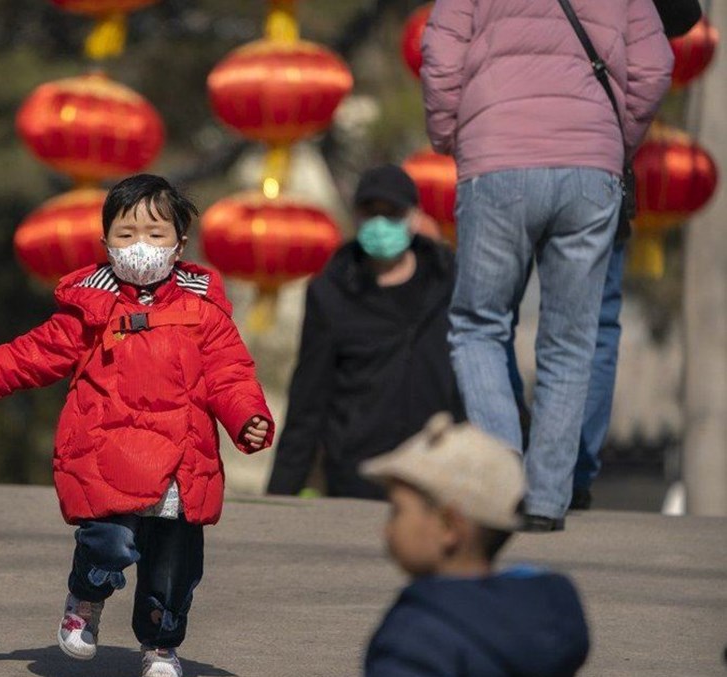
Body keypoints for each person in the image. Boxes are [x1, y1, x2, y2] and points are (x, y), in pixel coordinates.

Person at [0, 174, 274, 677]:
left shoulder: (203, 311)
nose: (140, 245)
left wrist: (248, 418)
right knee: (111, 544)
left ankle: (160, 647)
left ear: (180, 244)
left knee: (173, 569)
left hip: (181, 466)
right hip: (106, 455)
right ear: (105, 244)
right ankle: (85, 599)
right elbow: (34, 353)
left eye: (155, 233)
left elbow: (230, 374)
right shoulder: (90, 309)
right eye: (125, 234)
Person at [422, 0, 672, 530]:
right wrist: (612, 138)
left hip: (496, 158)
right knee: (571, 339)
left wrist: (450, 135)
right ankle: (547, 498)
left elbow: (441, 58)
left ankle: (503, 478)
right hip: (590, 167)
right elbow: (655, 65)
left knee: (478, 325)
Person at [507, 0, 706, 513]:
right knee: (594, 323)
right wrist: (622, 134)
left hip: (506, 155)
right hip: (598, 162)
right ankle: (568, 467)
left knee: (487, 319)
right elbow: (679, 23)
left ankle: (511, 456)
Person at [267, 164, 461, 499]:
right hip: (360, 475)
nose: (382, 224)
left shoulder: (449, 280)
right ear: (356, 217)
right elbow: (309, 398)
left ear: (414, 217)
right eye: (371, 214)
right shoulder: (330, 292)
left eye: (393, 213)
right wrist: (279, 495)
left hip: (442, 465)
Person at [360, 413, 590, 676]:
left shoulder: (415, 638)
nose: (386, 528)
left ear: (450, 528)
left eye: (397, 511)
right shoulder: (542, 620)